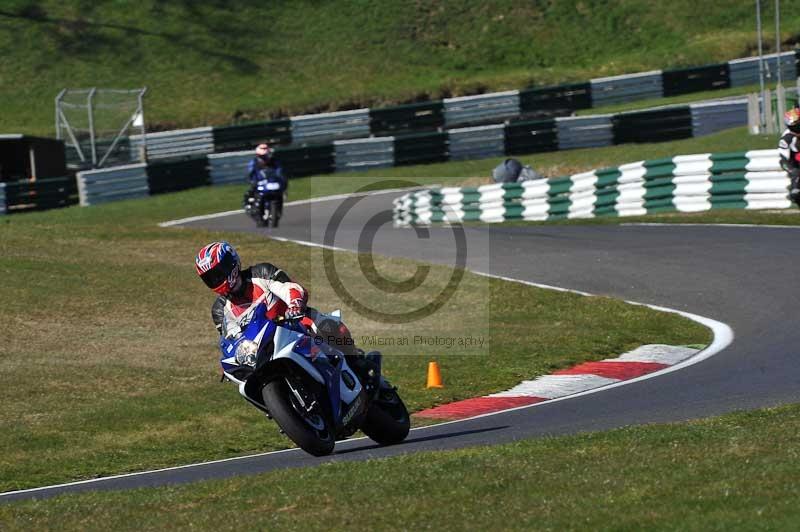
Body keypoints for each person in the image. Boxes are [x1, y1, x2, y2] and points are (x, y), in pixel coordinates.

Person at [195, 241, 374, 383]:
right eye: (210, 278)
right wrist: (230, 359)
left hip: (294, 325)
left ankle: (357, 363)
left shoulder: (261, 272)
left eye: (218, 273)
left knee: (330, 327)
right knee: (249, 384)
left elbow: (288, 288)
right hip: (263, 351)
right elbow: (230, 338)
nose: (216, 280)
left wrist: (295, 304)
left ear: (231, 264)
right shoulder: (220, 309)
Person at [246, 143, 287, 225]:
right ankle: (251, 207)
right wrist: (253, 181)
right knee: (251, 193)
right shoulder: (253, 163)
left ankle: (278, 210)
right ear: (258, 156)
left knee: (281, 192)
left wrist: (282, 180)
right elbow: (250, 174)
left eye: (267, 155)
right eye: (263, 157)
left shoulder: (275, 162)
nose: (266, 158)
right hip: (259, 183)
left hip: (271, 183)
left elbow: (280, 172)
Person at [779, 108, 800, 205]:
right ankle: (795, 190)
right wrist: (791, 170)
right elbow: (783, 160)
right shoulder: (786, 138)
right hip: (795, 163)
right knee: (796, 172)